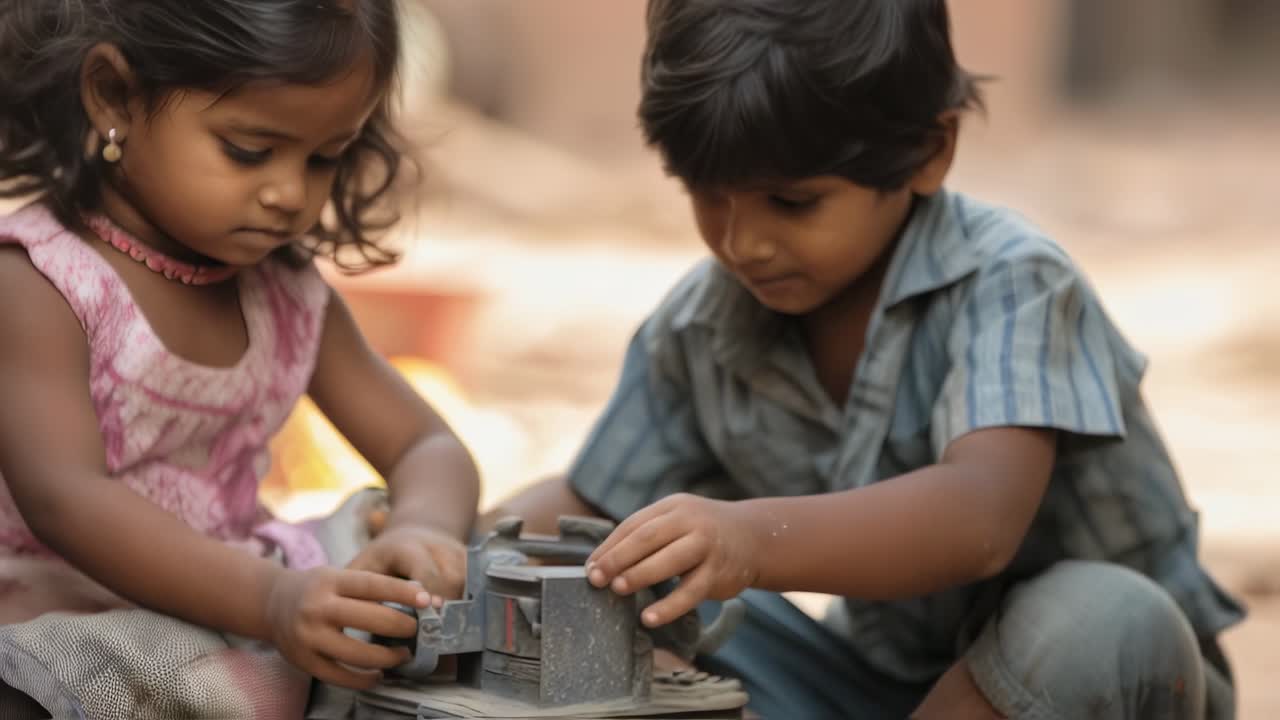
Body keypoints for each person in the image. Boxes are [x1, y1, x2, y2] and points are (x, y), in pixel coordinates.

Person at [482, 1, 1245, 717]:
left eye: (793, 202)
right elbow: (591, 501)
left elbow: (979, 520)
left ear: (928, 151)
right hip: (870, 684)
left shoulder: (1011, 282)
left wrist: (751, 538)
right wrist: (453, 551)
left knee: (1100, 615)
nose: (742, 242)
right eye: (708, 196)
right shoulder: (706, 321)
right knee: (633, 587)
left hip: (1096, 684)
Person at [0, 0, 479, 714]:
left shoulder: (284, 293)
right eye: (249, 150)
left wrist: (422, 533)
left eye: (324, 157)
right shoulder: (41, 282)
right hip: (63, 612)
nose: (290, 194)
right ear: (116, 97)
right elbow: (65, 499)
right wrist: (271, 599)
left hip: (237, 603)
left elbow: (426, 443)